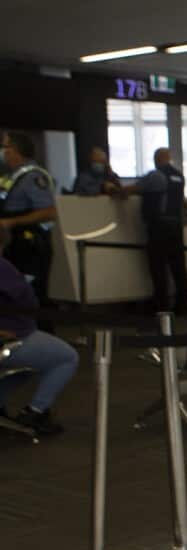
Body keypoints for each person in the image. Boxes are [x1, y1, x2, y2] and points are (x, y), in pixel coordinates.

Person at [0, 257, 76, 435]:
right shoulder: (3, 268)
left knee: (29, 364)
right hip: (9, 339)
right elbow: (29, 302)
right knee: (67, 357)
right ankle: (35, 412)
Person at [123, 148, 187, 315]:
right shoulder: (179, 176)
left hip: (159, 227)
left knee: (158, 267)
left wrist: (117, 190)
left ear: (156, 159)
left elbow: (135, 189)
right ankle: (182, 306)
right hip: (176, 227)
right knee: (178, 267)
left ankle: (162, 306)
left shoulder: (156, 176)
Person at [0, 132, 57, 317]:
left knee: (31, 296)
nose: (4, 151)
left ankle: (40, 339)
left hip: (30, 245)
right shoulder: (12, 176)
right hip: (12, 244)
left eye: (7, 147)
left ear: (17, 151)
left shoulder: (34, 177)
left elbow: (49, 211)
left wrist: (11, 221)